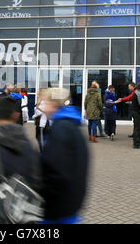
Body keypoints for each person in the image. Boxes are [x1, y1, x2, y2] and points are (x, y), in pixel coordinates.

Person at [39, 88, 89, 223]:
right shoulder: (72, 126)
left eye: (45, 102)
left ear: (54, 104)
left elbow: (55, 171)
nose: (43, 107)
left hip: (57, 211)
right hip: (70, 207)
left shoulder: (60, 129)